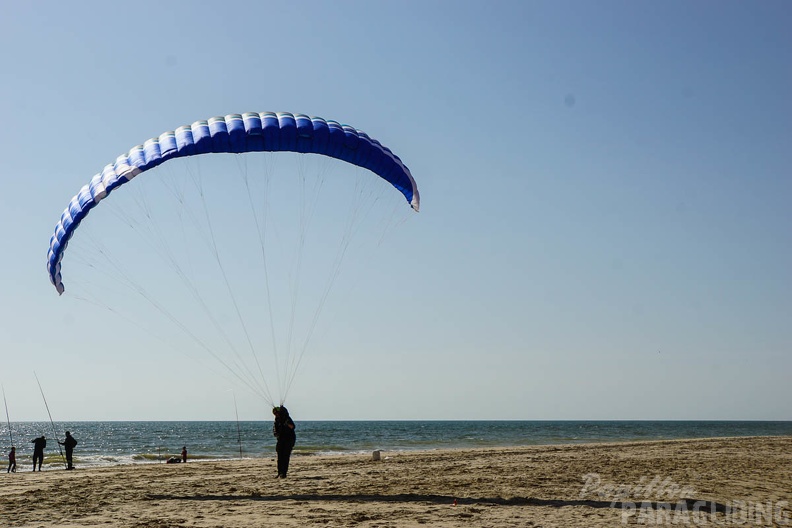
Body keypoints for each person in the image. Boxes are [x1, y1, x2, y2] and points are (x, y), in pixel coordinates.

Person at [272, 405, 296, 478]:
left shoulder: (287, 418)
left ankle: (284, 473)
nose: (276, 415)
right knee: (280, 457)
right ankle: (279, 472)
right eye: (275, 414)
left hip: (289, 440)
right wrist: (275, 433)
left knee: (285, 457)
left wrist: (287, 424)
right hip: (280, 439)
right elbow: (275, 429)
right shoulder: (277, 421)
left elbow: (293, 426)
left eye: (277, 413)